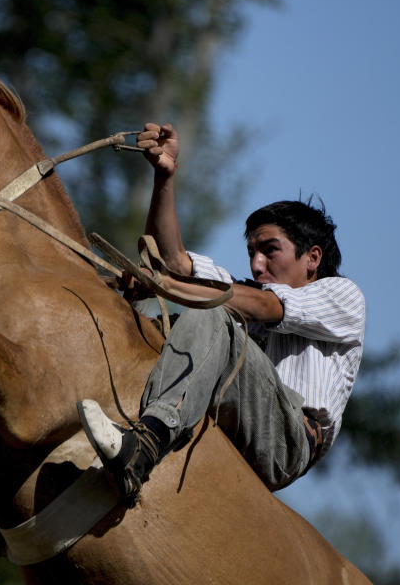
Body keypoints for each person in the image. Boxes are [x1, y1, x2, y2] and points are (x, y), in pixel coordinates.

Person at [78, 123, 366, 498]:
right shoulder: (249, 290)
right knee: (162, 322)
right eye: (251, 254)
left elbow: (262, 306)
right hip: (242, 409)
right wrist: (164, 176)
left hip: (289, 440)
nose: (258, 265)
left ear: (312, 258)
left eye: (270, 250)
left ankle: (148, 440)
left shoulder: (344, 296)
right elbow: (174, 262)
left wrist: (165, 286)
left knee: (213, 312)